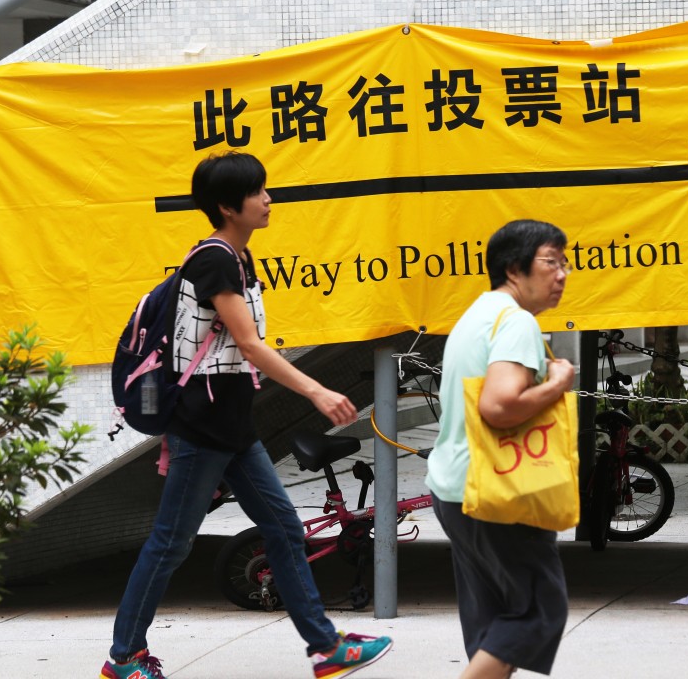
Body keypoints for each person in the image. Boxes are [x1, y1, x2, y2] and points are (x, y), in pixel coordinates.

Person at [101, 151, 393, 679]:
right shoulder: (215, 260)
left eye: (265, 189)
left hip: (229, 427)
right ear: (225, 206)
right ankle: (124, 657)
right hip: (203, 428)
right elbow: (250, 346)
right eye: (257, 192)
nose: (267, 199)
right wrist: (317, 392)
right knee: (171, 543)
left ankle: (325, 648)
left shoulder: (237, 259)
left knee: (283, 529)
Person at [426, 219, 576, 679]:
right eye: (551, 262)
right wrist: (557, 384)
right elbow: (498, 405)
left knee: (492, 624)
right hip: (497, 491)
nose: (563, 274)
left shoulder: (476, 315)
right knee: (537, 612)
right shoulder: (516, 322)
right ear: (515, 269)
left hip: (455, 489)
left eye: (565, 263)